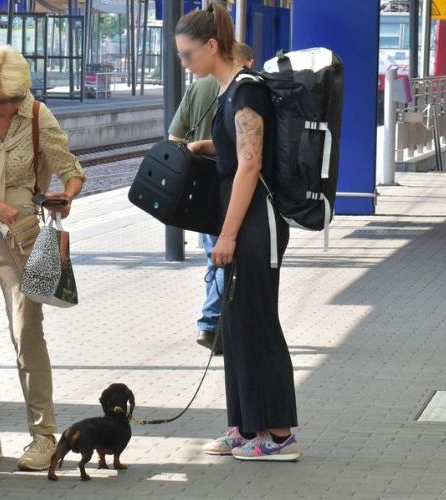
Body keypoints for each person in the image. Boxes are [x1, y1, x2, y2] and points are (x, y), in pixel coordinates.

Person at [175, 4, 300, 461]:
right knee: (237, 327)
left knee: (258, 324)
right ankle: (246, 427)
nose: (185, 64)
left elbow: (251, 163)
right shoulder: (228, 91)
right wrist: (207, 145)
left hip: (254, 224)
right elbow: (237, 149)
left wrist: (226, 236)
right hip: (239, 220)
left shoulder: (248, 91)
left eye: (188, 55)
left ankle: (280, 435)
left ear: (212, 46)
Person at [0, 45, 86, 471]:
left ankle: (43, 435)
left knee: (27, 328)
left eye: (11, 100)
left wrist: (65, 196)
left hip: (23, 231)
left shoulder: (38, 116)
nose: (5, 106)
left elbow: (71, 169)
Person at [168, 42, 256, 355]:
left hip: (200, 187)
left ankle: (217, 326)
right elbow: (249, 158)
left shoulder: (200, 89)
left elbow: (175, 138)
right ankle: (211, 322)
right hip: (230, 189)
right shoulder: (246, 91)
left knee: (213, 254)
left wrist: (195, 151)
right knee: (222, 256)